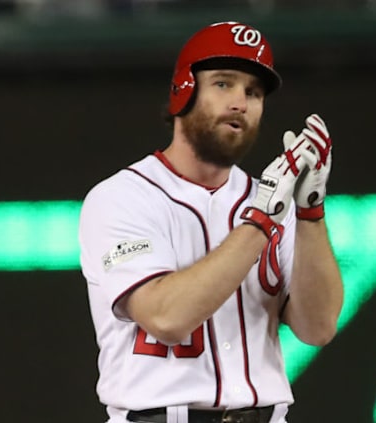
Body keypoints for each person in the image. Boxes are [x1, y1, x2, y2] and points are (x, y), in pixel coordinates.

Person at [78, 21, 344, 423]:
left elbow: (318, 327)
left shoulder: (273, 200)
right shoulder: (121, 198)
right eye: (224, 84)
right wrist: (260, 222)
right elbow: (167, 317)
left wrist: (309, 212)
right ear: (184, 90)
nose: (240, 101)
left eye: (253, 92)